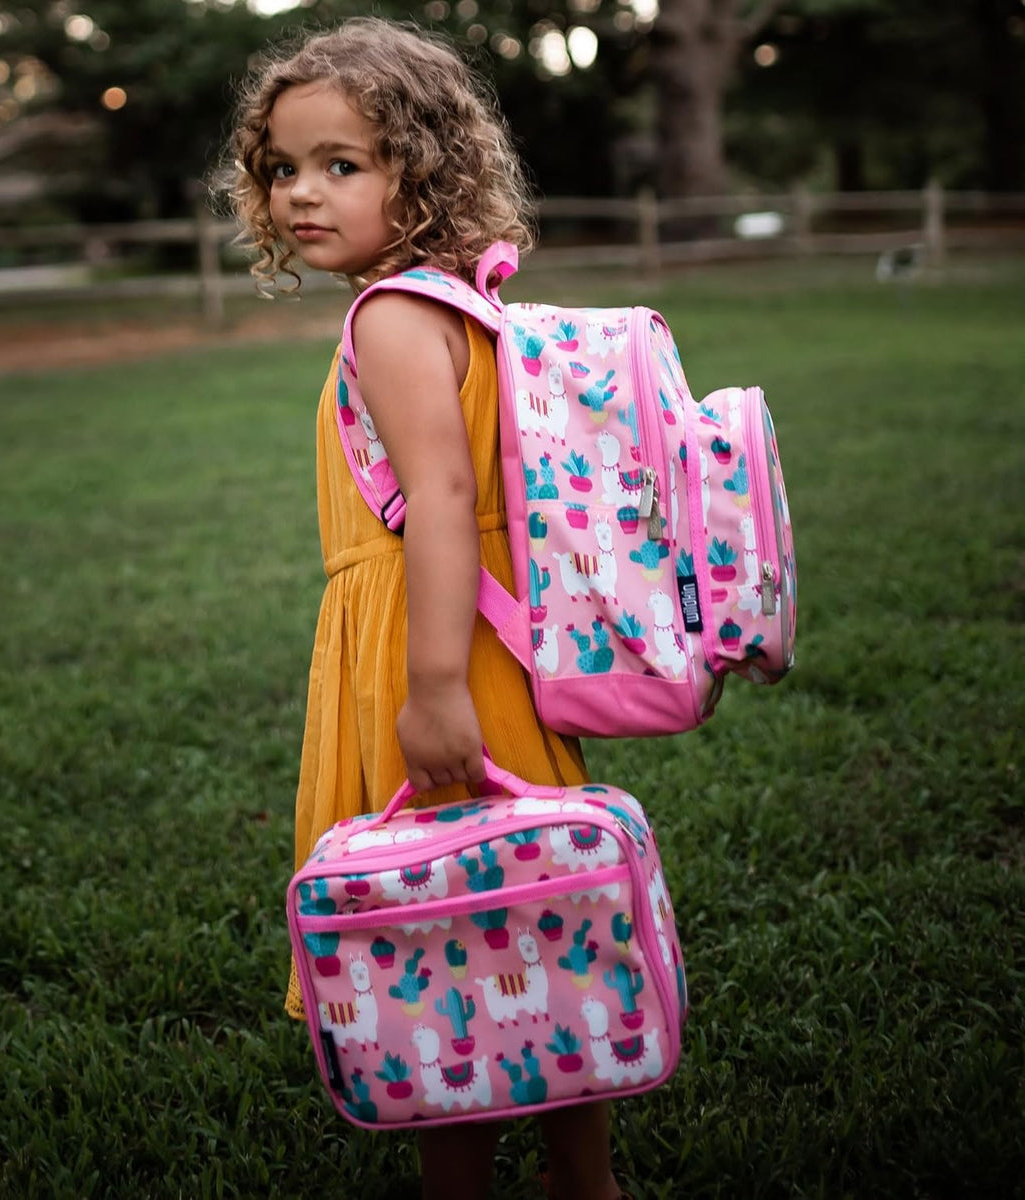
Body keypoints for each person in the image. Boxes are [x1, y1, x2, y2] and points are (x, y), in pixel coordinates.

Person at [224, 18, 621, 1200]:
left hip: (432, 652)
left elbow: (443, 501)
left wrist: (433, 689)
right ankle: (583, 1176)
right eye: (283, 168)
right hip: (486, 643)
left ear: (422, 165)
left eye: (342, 163)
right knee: (535, 921)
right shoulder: (454, 300)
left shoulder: (392, 317)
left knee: (442, 941)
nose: (302, 192)